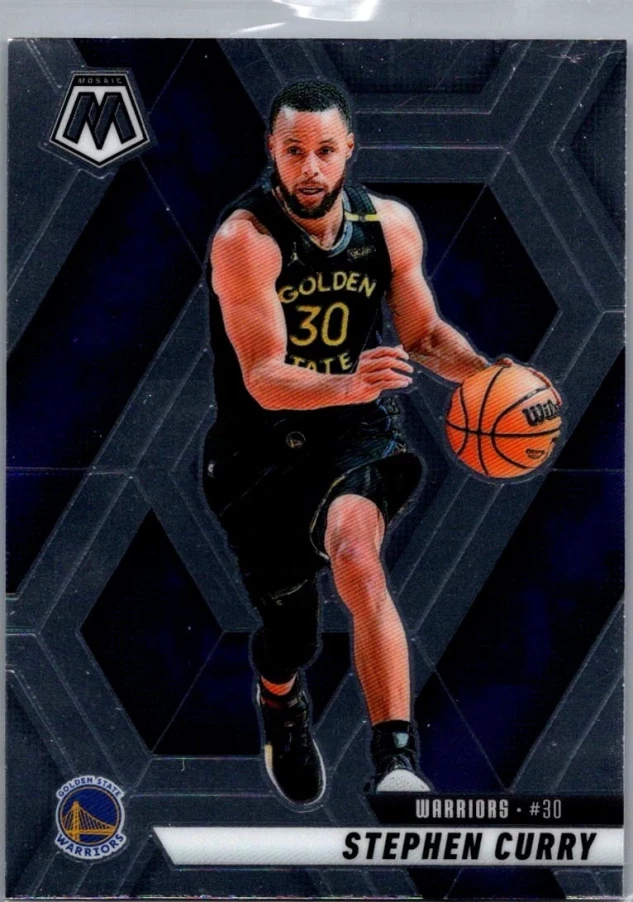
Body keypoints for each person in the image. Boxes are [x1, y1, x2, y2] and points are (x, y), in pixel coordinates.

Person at [202, 80, 490, 806]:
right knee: (291, 637)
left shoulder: (388, 225)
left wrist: (489, 379)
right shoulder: (245, 240)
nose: (310, 168)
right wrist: (349, 382)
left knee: (358, 559)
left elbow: (423, 336)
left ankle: (395, 760)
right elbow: (264, 378)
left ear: (349, 151)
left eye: (325, 151)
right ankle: (280, 700)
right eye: (294, 151)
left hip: (351, 433)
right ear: (272, 150)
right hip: (258, 453)